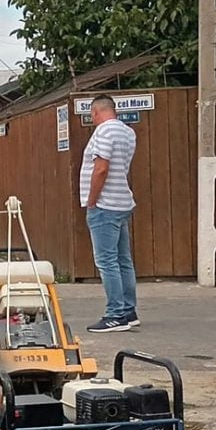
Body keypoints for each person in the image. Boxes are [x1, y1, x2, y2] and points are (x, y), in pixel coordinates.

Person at [80, 94, 139, 332]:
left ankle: (115, 314)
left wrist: (92, 200)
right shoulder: (127, 132)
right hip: (122, 202)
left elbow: (101, 168)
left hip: (104, 205)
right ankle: (129, 310)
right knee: (123, 260)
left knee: (107, 261)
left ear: (96, 112)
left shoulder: (104, 132)